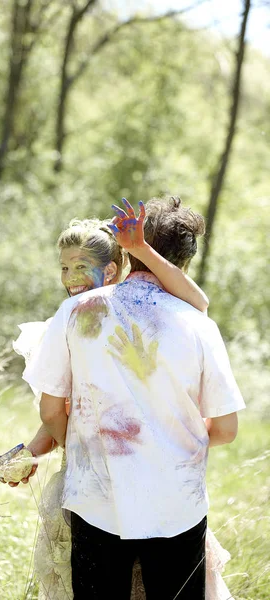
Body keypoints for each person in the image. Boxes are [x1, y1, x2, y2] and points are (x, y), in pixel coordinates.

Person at [18, 196, 245, 600]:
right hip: (177, 505)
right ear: (185, 259)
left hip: (95, 501)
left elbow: (52, 408)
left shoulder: (75, 311)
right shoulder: (199, 324)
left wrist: (79, 442)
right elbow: (226, 430)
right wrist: (170, 438)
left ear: (125, 250)